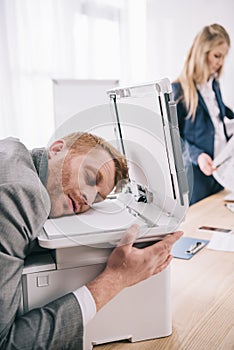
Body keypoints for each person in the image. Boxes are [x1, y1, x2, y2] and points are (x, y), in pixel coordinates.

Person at [0, 132, 182, 350]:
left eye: (97, 199)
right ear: (57, 149)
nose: (88, 197)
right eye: (89, 177)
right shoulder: (22, 194)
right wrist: (116, 279)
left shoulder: (13, 154)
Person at [172, 23, 234, 205]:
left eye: (223, 57)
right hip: (198, 178)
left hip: (219, 172)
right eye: (217, 56)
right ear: (202, 52)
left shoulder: (213, 85)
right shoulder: (180, 90)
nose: (220, 62)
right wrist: (197, 155)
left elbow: (219, 114)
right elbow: (174, 138)